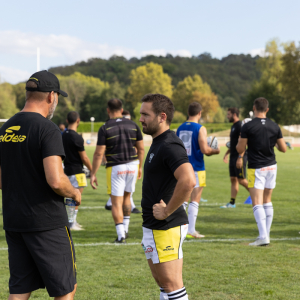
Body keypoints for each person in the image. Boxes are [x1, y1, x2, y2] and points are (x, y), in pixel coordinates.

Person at [0, 70, 81, 299]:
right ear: (51, 96)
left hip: (15, 220)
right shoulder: (47, 128)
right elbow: (55, 180)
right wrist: (74, 191)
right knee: (65, 288)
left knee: (20, 289)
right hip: (46, 221)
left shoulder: (6, 129)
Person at [140, 93, 195, 300]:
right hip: (155, 226)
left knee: (172, 286)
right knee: (165, 286)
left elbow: (188, 180)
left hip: (166, 226)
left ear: (162, 117)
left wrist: (166, 210)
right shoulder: (158, 142)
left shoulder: (169, 144)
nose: (141, 119)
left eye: (145, 114)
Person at [90, 99, 144, 243]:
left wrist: (93, 173)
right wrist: (140, 167)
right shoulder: (133, 125)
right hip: (133, 165)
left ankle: (121, 236)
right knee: (127, 198)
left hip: (116, 166)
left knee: (116, 202)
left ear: (108, 110)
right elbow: (142, 149)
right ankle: (125, 230)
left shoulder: (105, 127)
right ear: (122, 110)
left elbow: (98, 154)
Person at [236, 97, 286, 246]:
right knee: (267, 200)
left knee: (257, 202)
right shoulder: (274, 126)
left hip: (256, 167)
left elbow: (240, 149)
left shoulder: (248, 126)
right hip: (272, 166)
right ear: (267, 109)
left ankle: (263, 236)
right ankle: (265, 234)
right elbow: (283, 148)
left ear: (254, 108)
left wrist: (241, 138)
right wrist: (271, 142)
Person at [176, 102, 220, 239]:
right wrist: (216, 150)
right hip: (196, 167)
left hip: (182, 167)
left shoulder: (180, 128)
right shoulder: (200, 128)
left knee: (182, 200)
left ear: (188, 112)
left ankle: (178, 229)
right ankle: (191, 230)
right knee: (195, 200)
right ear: (200, 113)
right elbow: (205, 150)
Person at [105, 109, 141, 214]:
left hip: (125, 163)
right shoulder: (112, 126)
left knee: (125, 192)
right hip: (121, 163)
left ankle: (121, 226)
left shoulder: (129, 126)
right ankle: (123, 227)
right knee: (124, 193)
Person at [62, 111, 92, 230]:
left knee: (68, 198)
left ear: (67, 121)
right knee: (76, 198)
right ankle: (71, 222)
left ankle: (71, 221)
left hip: (65, 170)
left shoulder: (62, 135)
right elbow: (84, 157)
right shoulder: (77, 137)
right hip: (78, 172)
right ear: (78, 121)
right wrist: (92, 170)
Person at [221, 108, 249, 208]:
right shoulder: (233, 126)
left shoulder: (240, 126)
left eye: (228, 114)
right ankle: (232, 203)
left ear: (234, 114)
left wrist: (240, 157)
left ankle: (256, 195)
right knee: (233, 179)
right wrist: (227, 153)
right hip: (233, 156)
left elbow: (243, 143)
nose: (227, 116)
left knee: (241, 180)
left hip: (239, 157)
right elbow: (234, 143)